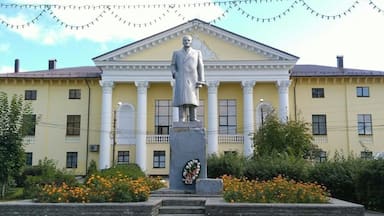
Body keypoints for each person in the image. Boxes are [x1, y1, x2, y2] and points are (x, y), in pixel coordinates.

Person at [171, 35, 205, 122]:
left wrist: (201, 80)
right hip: (181, 78)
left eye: (188, 40)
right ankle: (181, 118)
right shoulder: (177, 53)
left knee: (192, 100)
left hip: (193, 78)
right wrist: (175, 73)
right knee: (182, 100)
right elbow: (173, 65)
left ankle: (193, 118)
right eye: (185, 40)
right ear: (182, 42)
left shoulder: (197, 52)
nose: (187, 42)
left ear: (191, 42)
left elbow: (200, 66)